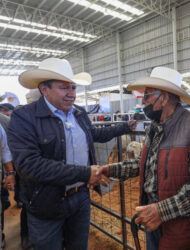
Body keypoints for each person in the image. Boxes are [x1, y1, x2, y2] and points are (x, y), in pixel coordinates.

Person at [7, 57, 136, 250]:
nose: (71, 94)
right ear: (44, 89)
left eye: (73, 88)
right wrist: (85, 174)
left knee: (78, 246)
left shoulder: (79, 113)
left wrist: (123, 127)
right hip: (46, 202)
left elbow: (94, 134)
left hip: (80, 197)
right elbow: (30, 165)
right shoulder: (24, 117)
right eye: (63, 88)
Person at [98, 67, 190, 250]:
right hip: (152, 219)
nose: (143, 101)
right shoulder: (154, 128)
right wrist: (110, 169)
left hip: (180, 229)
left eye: (148, 96)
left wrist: (161, 210)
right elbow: (145, 164)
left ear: (164, 97)